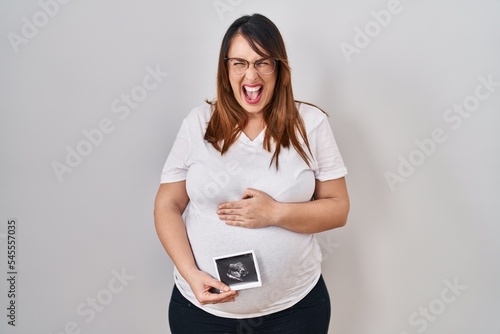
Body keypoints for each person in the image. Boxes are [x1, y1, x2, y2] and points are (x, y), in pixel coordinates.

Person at [154, 13, 349, 334]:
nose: (251, 74)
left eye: (262, 62)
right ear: (226, 69)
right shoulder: (198, 123)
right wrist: (190, 273)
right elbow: (167, 205)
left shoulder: (311, 123)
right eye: (239, 63)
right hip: (203, 312)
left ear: (279, 69)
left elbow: (338, 208)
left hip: (294, 311)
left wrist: (275, 213)